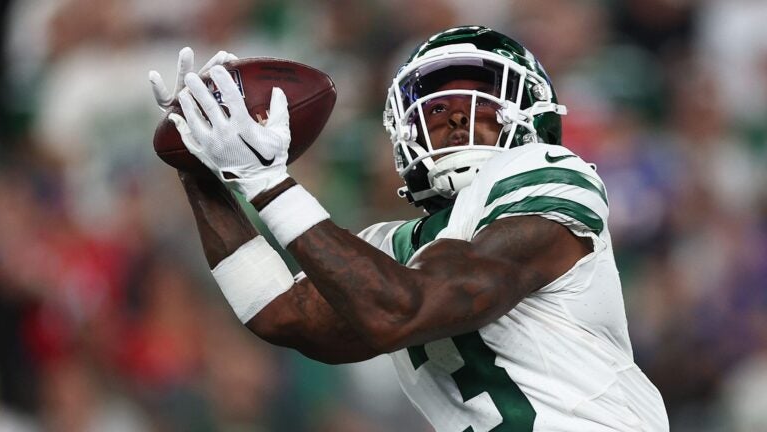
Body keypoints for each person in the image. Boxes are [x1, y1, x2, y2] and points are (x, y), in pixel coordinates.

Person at [149, 26, 668, 431]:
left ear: (528, 113)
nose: (448, 116)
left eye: (477, 99)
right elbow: (278, 312)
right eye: (433, 103)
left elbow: (405, 307)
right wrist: (199, 167)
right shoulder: (388, 248)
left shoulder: (552, 176)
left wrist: (267, 183)